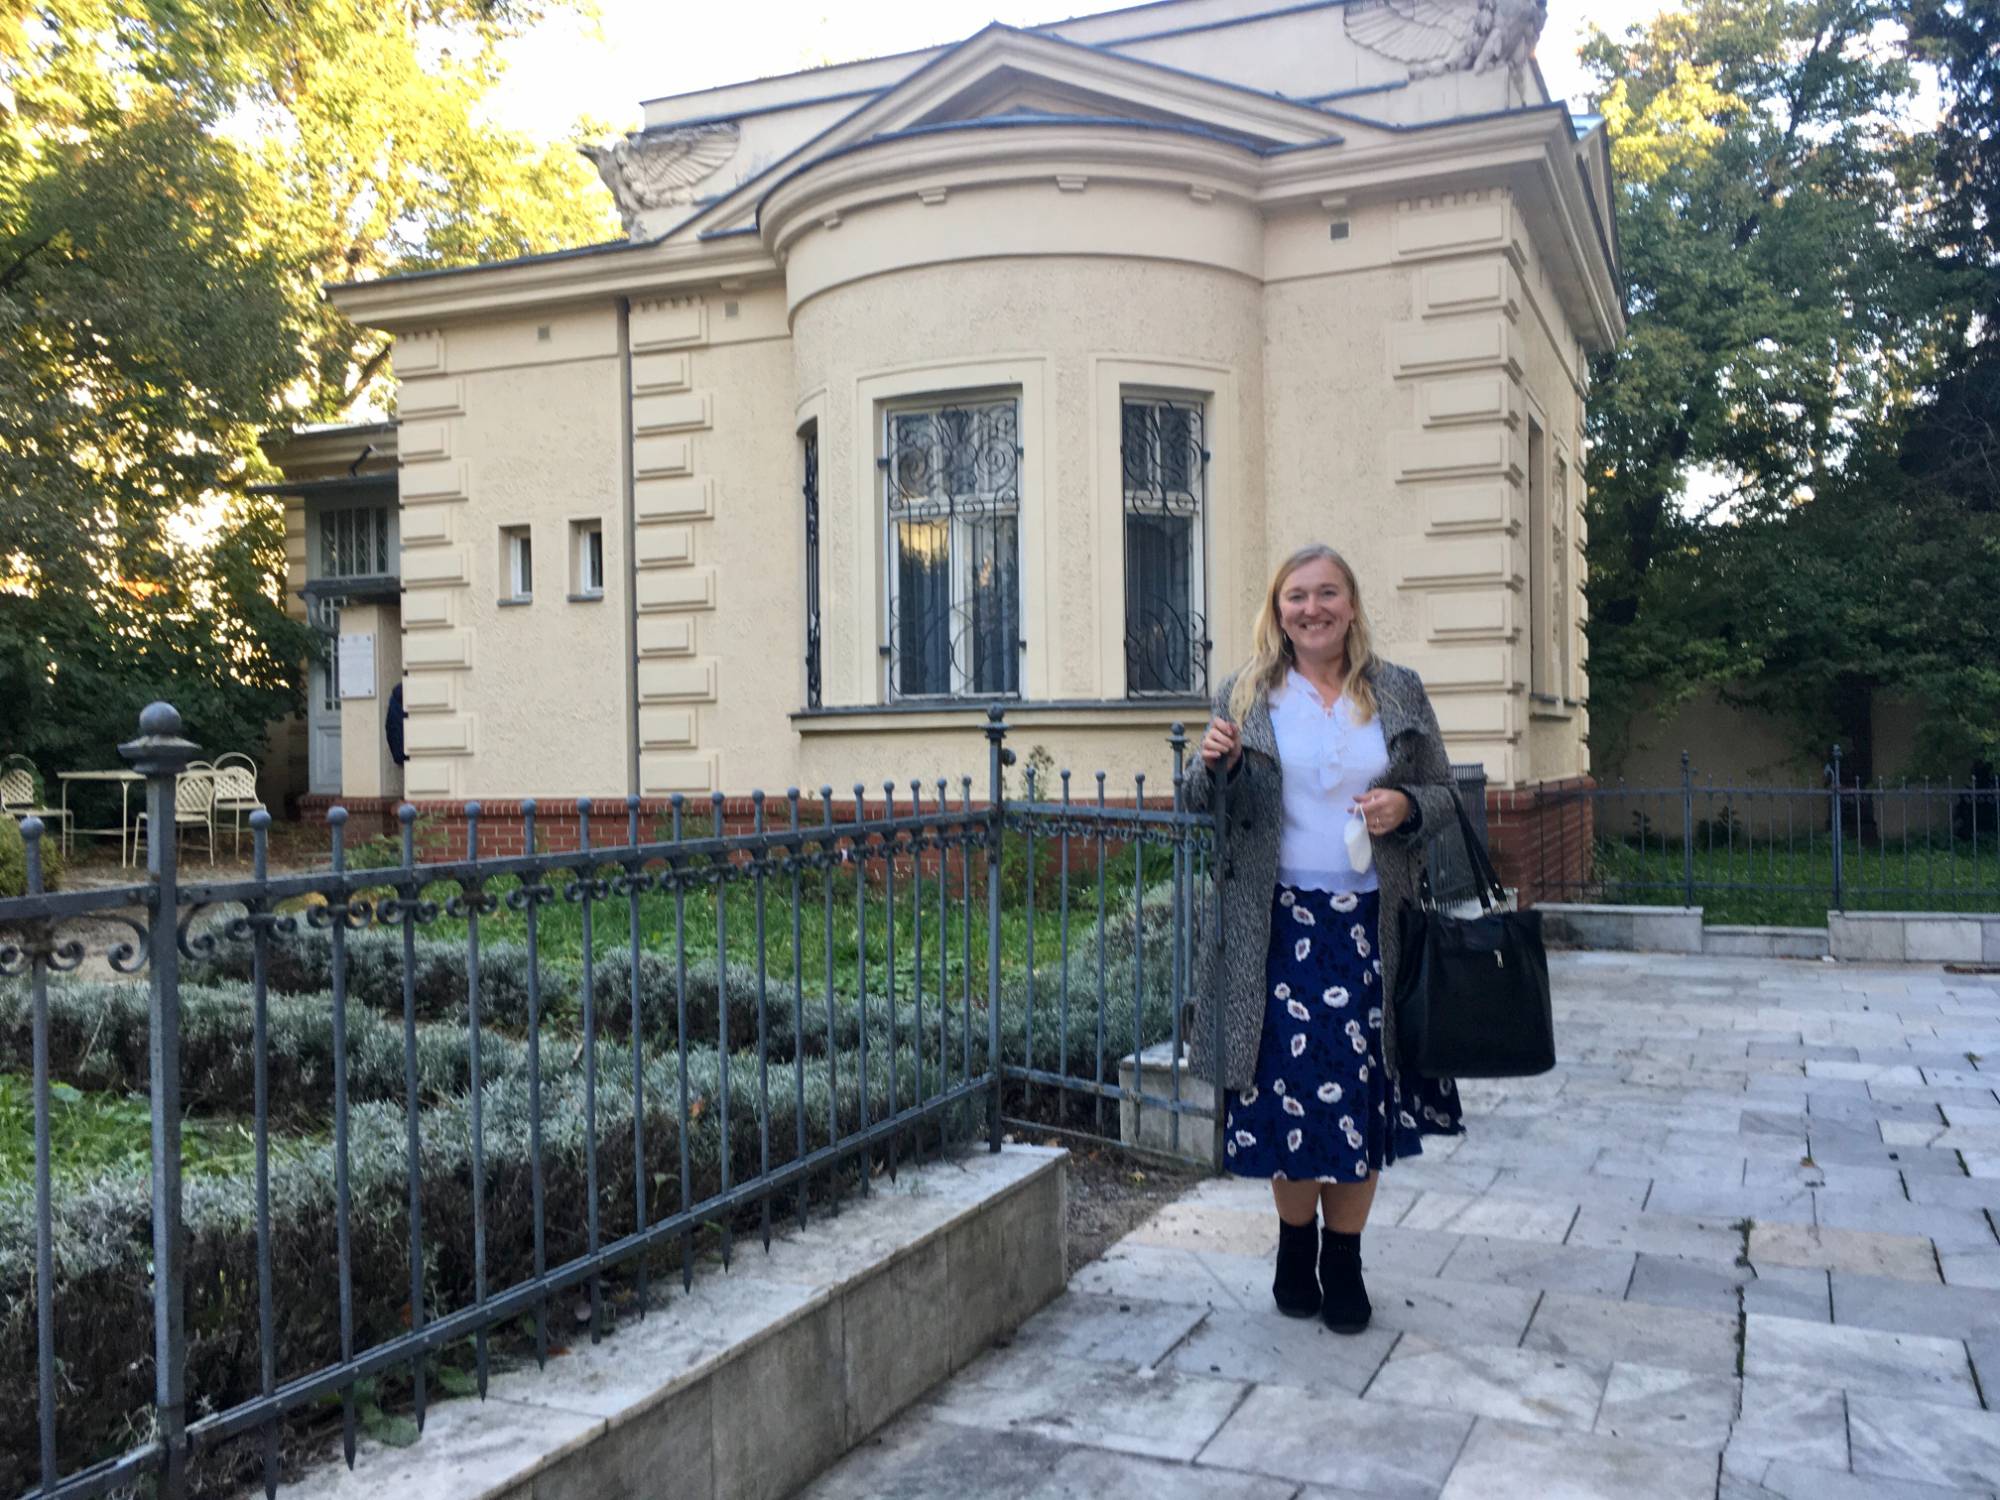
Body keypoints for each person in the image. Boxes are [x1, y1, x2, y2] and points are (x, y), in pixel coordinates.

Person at [1184, 542, 1464, 1334]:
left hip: (1374, 929)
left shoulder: (1397, 689)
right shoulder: (1248, 694)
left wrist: (1406, 810)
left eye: (1327, 594)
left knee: (1360, 1100)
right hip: (1276, 931)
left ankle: (1343, 1260)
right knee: (1288, 1101)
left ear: (1351, 604)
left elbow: (1444, 791)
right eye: (1296, 597)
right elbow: (1202, 802)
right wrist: (1220, 769)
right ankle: (1292, 1244)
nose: (1312, 609)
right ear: (1278, 611)